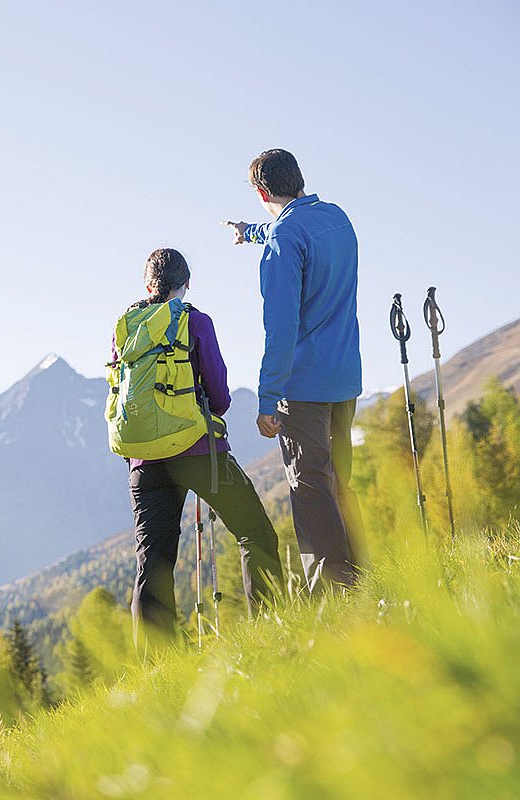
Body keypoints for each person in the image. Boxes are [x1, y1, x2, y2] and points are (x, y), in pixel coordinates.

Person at [113, 248, 284, 654]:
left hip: (144, 462)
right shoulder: (195, 321)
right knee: (254, 533)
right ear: (185, 284)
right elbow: (220, 396)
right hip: (198, 453)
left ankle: (157, 666)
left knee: (152, 564)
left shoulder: (125, 327)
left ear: (148, 285)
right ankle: (272, 628)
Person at [221, 148, 364, 593]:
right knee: (340, 481)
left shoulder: (285, 240)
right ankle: (362, 578)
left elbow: (279, 328)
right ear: (298, 179)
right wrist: (251, 233)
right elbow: (291, 230)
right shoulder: (336, 218)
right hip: (346, 380)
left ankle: (333, 596)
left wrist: (267, 399)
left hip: (304, 389)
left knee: (310, 488)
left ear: (262, 192)